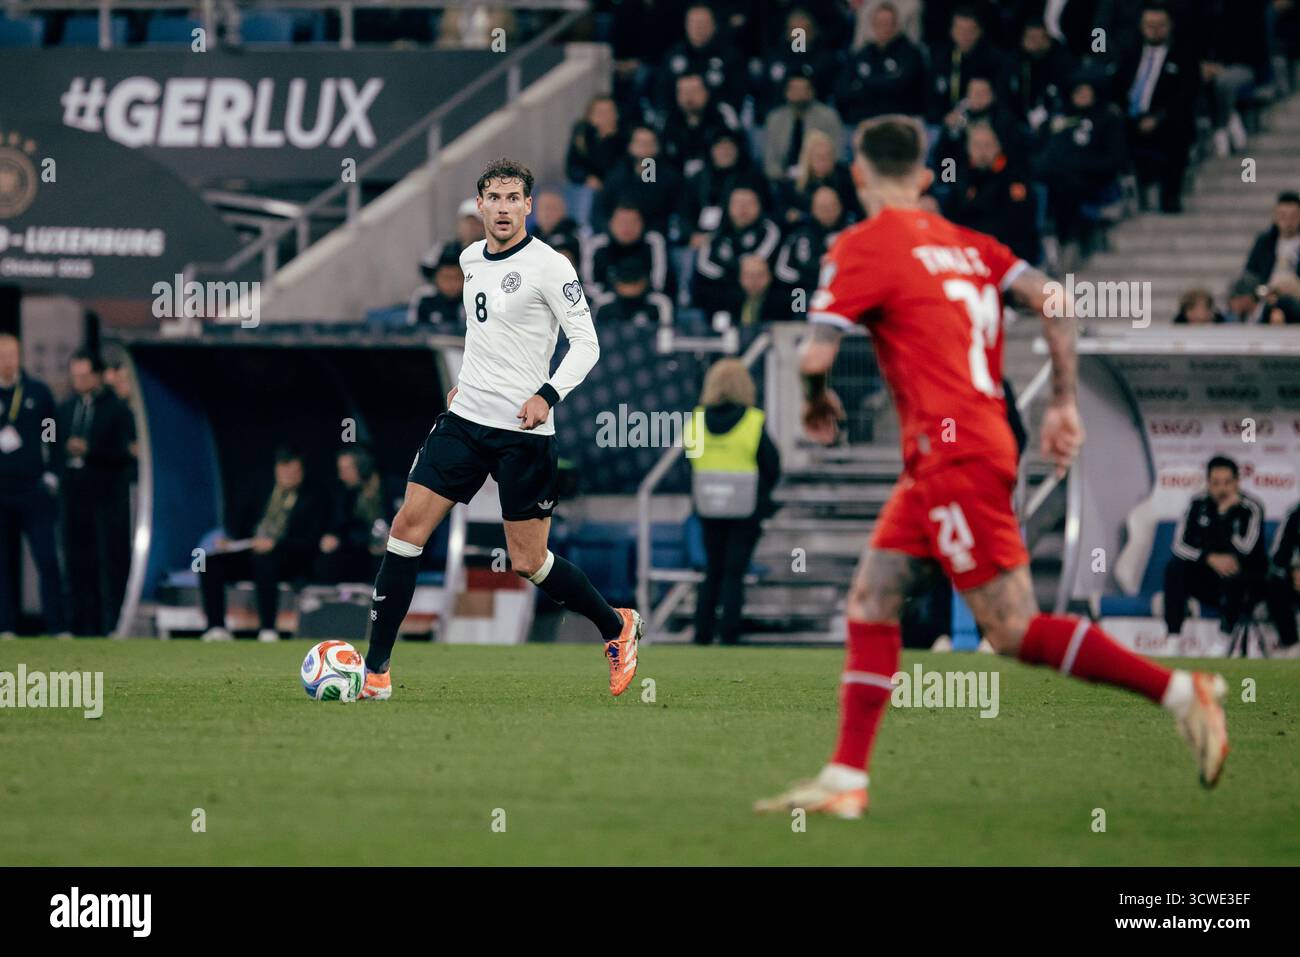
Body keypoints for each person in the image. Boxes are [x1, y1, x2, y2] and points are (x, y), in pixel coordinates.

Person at [754, 115, 1229, 821]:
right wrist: (1063, 402)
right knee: (872, 598)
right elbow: (1057, 299)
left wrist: (816, 401)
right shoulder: (969, 243)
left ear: (857, 175)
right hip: (961, 447)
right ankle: (846, 776)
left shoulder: (861, 245)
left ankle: (1182, 693)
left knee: (1012, 628)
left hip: (955, 455)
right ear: (923, 177)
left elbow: (816, 354)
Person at [357, 158, 643, 701]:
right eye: (496, 198)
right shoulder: (469, 259)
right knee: (405, 532)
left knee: (528, 562)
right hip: (464, 423)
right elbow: (485, 334)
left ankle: (615, 626)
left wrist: (547, 395)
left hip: (524, 432)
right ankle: (376, 672)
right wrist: (467, 381)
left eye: (516, 198)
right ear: (480, 205)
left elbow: (587, 343)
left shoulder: (551, 266)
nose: (505, 207)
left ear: (529, 206)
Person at [685, 359, 780, 645]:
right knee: (734, 572)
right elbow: (772, 466)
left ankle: (702, 633)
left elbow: (687, 463)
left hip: (708, 506)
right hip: (745, 509)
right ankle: (729, 634)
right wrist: (760, 495)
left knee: (712, 570)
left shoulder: (697, 419)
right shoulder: (754, 420)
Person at [200, 446, 326, 643]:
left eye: (293, 472)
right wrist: (230, 540)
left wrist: (274, 544)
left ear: (301, 472)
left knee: (264, 560)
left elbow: (310, 541)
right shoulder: (260, 488)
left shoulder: (315, 498)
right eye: (283, 471)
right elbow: (238, 521)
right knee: (209, 562)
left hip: (287, 559)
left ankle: (268, 629)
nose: (288, 476)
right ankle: (216, 627)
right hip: (251, 552)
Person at [57, 350, 134, 636]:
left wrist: (91, 451)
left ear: (98, 376)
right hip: (73, 495)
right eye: (75, 376)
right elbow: (51, 443)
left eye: (84, 375)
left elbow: (125, 453)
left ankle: (111, 625)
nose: (79, 381)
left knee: (108, 562)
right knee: (77, 561)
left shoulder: (116, 409)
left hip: (106, 496)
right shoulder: (64, 409)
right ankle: (78, 626)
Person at [0, 333, 67, 638]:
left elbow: (52, 435)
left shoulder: (38, 392)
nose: (7, 360)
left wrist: (52, 472)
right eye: (2, 354)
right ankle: (6, 626)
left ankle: (57, 626)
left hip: (32, 488)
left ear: (20, 355)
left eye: (12, 354)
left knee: (47, 558)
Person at [1163, 456, 1267, 639]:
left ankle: (1223, 639)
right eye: (1216, 483)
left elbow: (1245, 550)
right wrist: (1209, 558)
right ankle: (1173, 638)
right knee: (1175, 569)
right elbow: (1179, 546)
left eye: (1227, 483)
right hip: (1208, 574)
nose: (1222, 489)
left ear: (1237, 482)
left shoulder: (1251, 507)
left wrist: (1224, 514)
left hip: (1243, 579)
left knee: (1235, 572)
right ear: (1208, 483)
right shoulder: (1197, 504)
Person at [1115, 2, 1197, 213]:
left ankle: (1170, 196)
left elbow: (1186, 95)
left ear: (1170, 26)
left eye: (1160, 25)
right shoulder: (1129, 52)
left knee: (1179, 131)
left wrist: (1158, 117)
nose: (1154, 30)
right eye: (1150, 25)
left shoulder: (1184, 56)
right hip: (1130, 118)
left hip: (1166, 119)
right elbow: (1117, 88)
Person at [316, 447, 391, 585]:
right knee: (328, 559)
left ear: (363, 467)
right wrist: (333, 538)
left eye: (345, 470)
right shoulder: (349, 495)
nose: (341, 476)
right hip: (362, 550)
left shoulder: (392, 488)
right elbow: (343, 528)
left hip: (393, 551)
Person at [1244, 192, 1300, 288]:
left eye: (1293, 216)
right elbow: (1251, 273)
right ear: (1275, 217)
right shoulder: (1264, 242)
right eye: (1283, 216)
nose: (1288, 221)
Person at [1265, 501, 1300, 653]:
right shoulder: (1295, 514)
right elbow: (1278, 554)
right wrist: (1295, 569)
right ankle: (1292, 645)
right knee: (1274, 585)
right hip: (1295, 578)